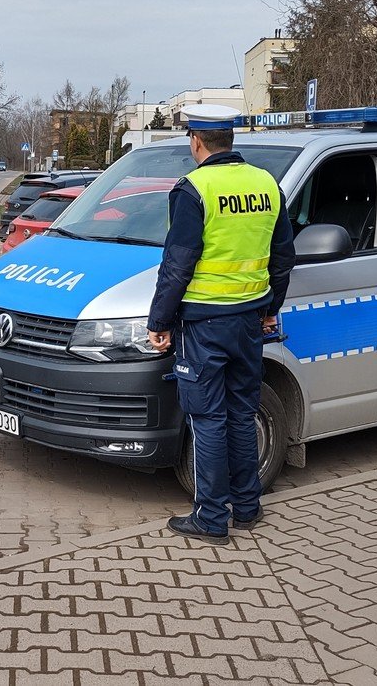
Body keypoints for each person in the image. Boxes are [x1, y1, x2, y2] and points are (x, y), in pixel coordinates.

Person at [147, 105, 295, 545]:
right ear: (230, 140)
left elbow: (177, 264)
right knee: (241, 411)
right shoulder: (266, 184)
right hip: (250, 319)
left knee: (208, 418)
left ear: (196, 141)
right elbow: (283, 256)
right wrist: (272, 307)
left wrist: (159, 321)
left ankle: (211, 518)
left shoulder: (194, 188)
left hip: (204, 322)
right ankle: (247, 506)